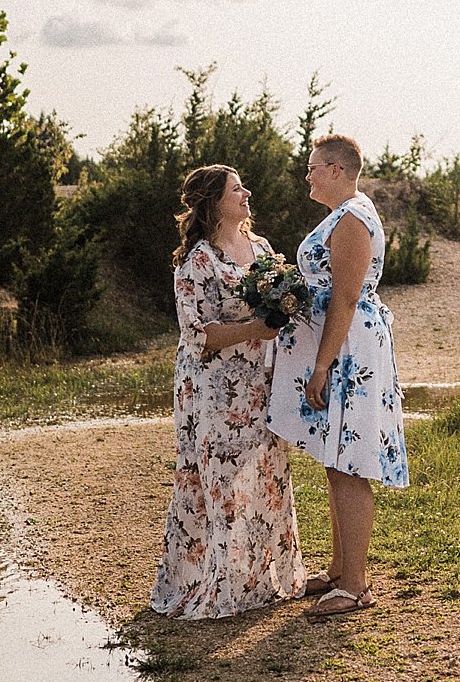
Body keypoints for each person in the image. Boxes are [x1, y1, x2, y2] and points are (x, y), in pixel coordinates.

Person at [151, 164, 306, 619]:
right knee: (218, 478)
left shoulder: (261, 248)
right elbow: (198, 334)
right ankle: (217, 583)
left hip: (261, 380)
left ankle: (260, 579)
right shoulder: (196, 260)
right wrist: (257, 327)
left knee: (267, 472)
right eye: (237, 189)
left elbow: (284, 303)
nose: (247, 193)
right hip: (212, 389)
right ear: (214, 202)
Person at [267, 134, 408, 620]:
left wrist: (322, 364)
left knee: (351, 464)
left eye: (312, 167)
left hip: (350, 351)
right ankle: (339, 570)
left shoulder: (352, 219)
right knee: (336, 460)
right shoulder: (344, 214)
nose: (306, 175)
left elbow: (345, 298)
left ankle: (356, 585)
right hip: (342, 344)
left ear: (336, 169)